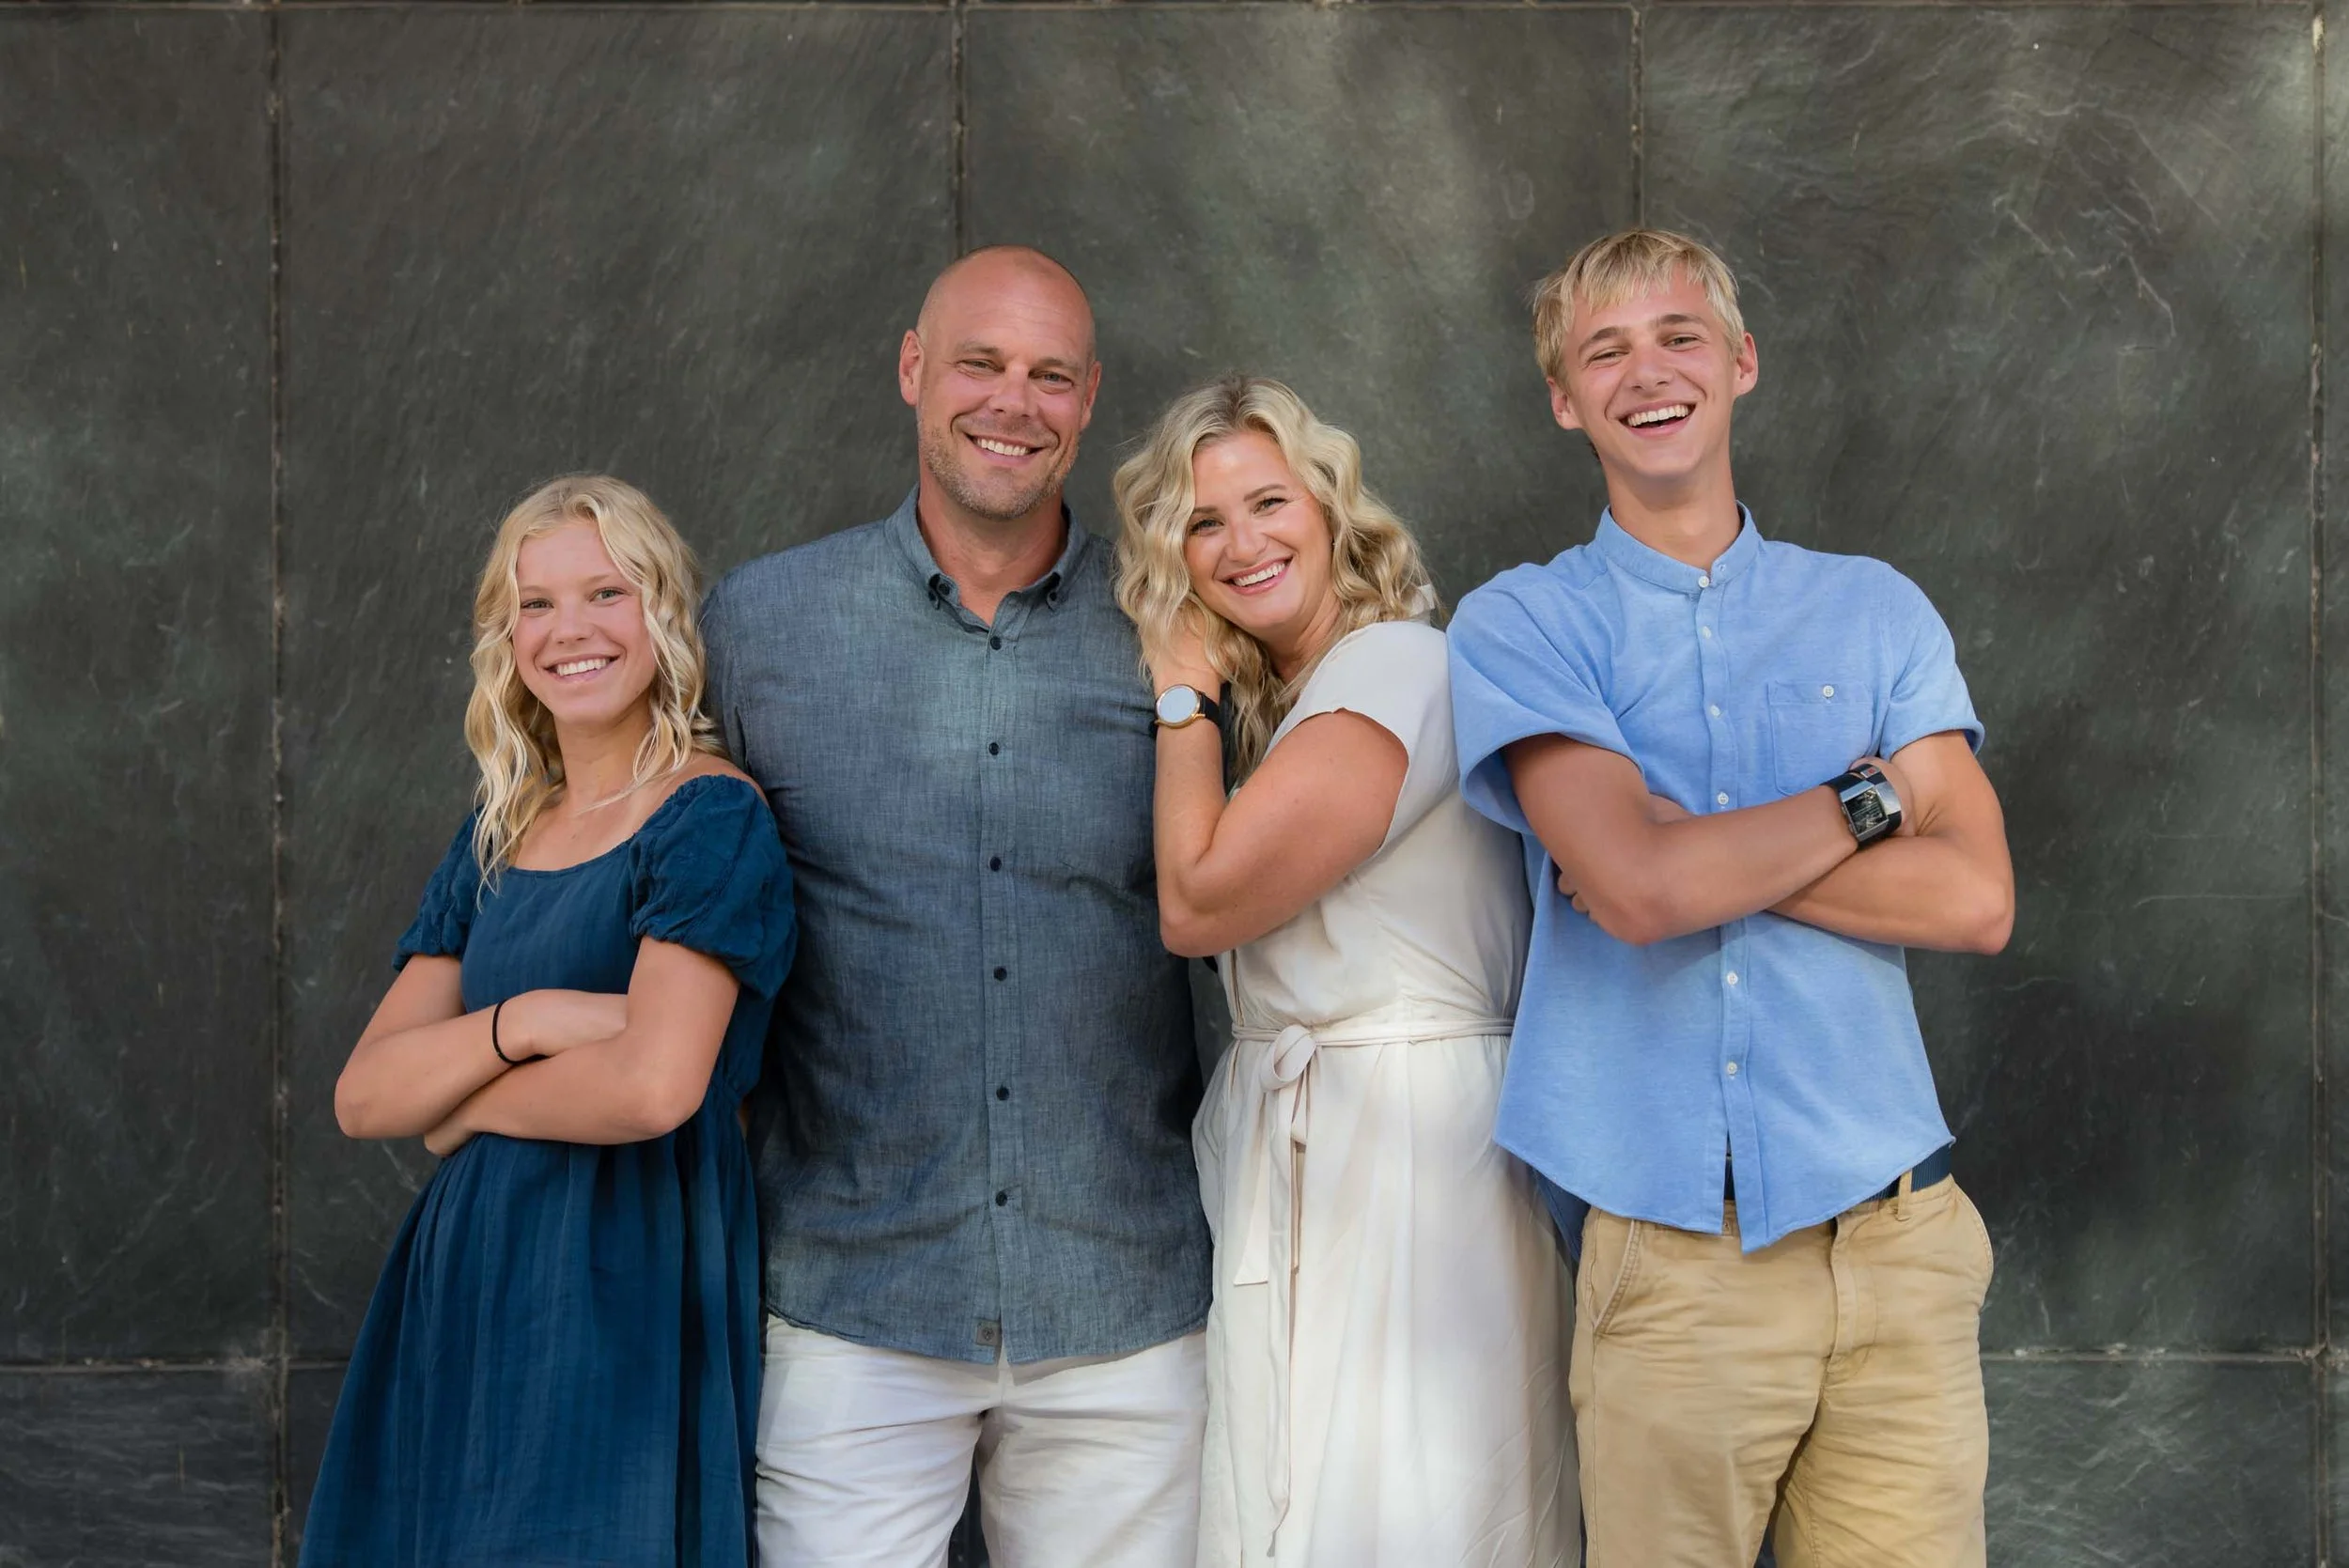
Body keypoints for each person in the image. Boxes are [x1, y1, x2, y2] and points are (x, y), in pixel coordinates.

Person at [1447, 226, 2016, 1568]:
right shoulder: (1523, 623)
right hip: (1675, 1261)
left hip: (1902, 1239)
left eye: (1679, 336)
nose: (1648, 372)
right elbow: (1638, 891)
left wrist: (1692, 851)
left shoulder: (1875, 611)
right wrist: (1869, 802)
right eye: (1605, 351)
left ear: (1742, 362)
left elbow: (1977, 898)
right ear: (1564, 399)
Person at [700, 246, 1209, 1568]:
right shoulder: (757, 628)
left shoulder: (1177, 626)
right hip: (851, 1299)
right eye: (980, 363)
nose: (1012, 402)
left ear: (1089, 398)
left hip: (1122, 1301)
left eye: (1050, 375)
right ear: (913, 368)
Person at [1115, 375, 1579, 1567]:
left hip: (1407, 1152)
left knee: (1407, 1509)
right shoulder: (1301, 700)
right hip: (1324, 1139)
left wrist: (1180, 695)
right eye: (1202, 523)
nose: (1241, 543)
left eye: (1268, 503)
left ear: (1330, 511)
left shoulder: (1393, 668)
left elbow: (1198, 901)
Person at [303, 475, 797, 1566]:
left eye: (605, 593)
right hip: (465, 1282)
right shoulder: (499, 829)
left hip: (621, 1274)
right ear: (508, 636)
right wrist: (529, 1019)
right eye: (536, 603)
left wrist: (462, 1109)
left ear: (662, 613)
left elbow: (652, 1087)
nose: (569, 628)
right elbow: (365, 1095)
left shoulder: (709, 815)